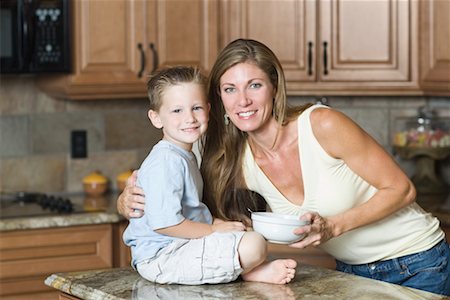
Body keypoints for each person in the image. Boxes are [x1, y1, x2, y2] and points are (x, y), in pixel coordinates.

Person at [118, 40, 450, 295]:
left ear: (274, 87)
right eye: (230, 89)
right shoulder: (228, 156)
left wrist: (332, 227)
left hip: (417, 263)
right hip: (349, 271)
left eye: (255, 85)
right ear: (218, 100)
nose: (243, 100)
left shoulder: (322, 124)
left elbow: (402, 189)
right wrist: (128, 200)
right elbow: (185, 208)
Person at [122, 65, 297, 285]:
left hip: (181, 245)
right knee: (254, 245)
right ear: (156, 118)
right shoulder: (166, 161)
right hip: (162, 257)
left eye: (196, 108)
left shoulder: (184, 155)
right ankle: (248, 273)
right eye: (177, 111)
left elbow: (191, 210)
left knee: (247, 236)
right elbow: (165, 224)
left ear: (207, 109)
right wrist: (213, 229)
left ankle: (248, 270)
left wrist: (220, 225)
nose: (190, 118)